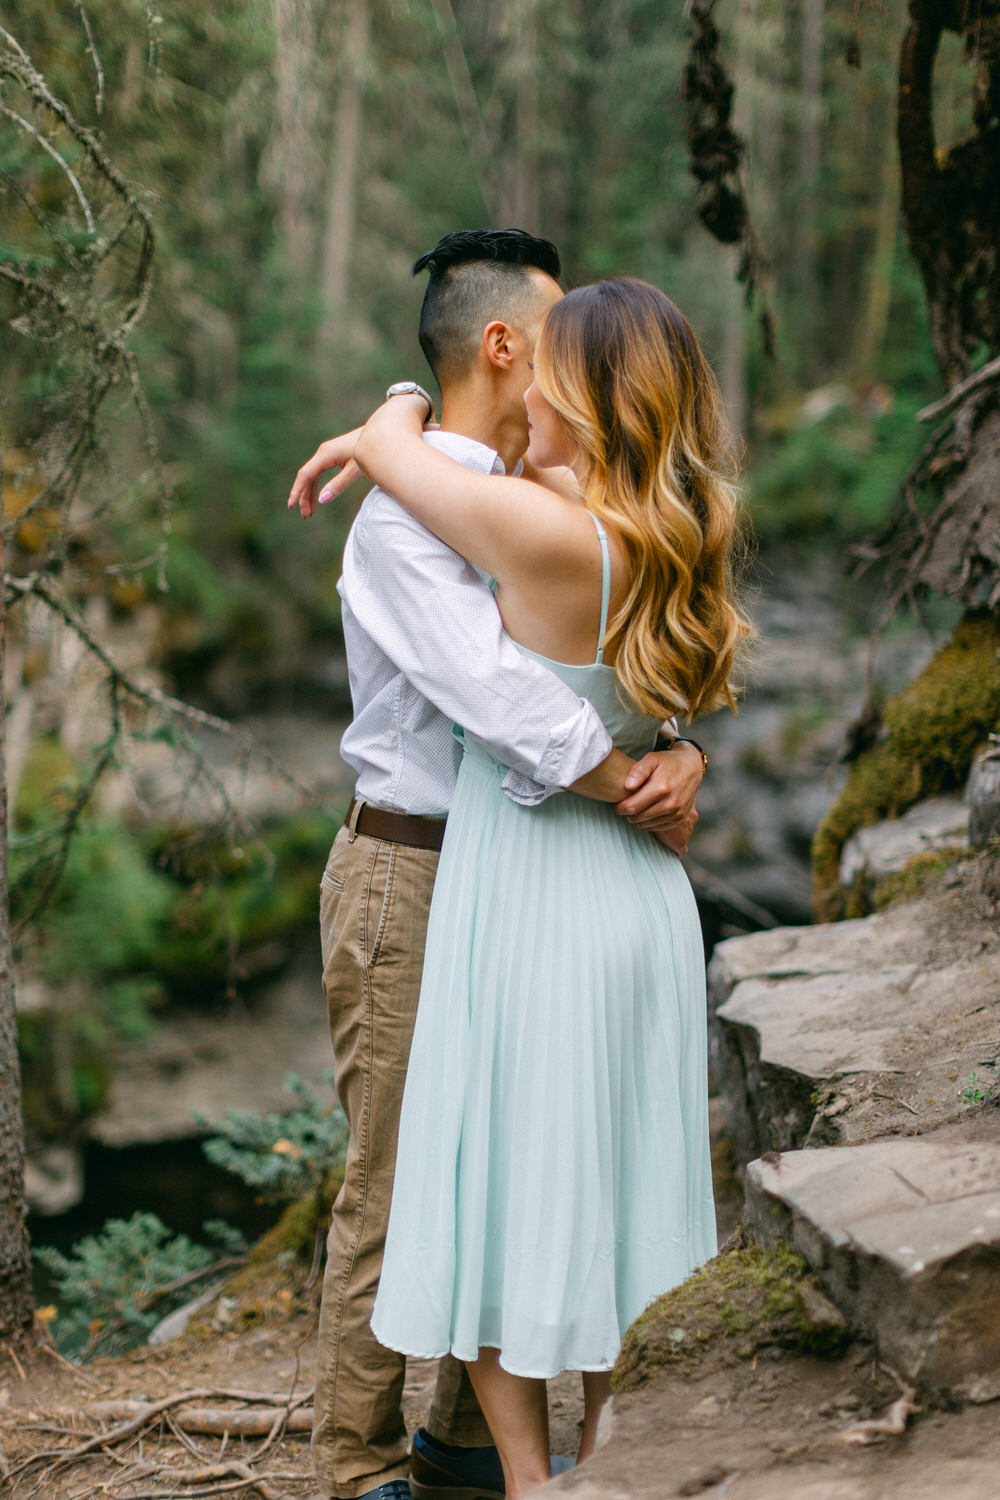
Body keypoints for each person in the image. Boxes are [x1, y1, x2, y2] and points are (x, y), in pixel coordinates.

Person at [287, 232, 707, 1500]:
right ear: (507, 349)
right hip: (414, 873)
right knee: (402, 1174)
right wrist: (634, 779)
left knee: (503, 1161)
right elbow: (503, 704)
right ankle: (360, 1470)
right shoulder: (405, 524)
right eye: (560, 328)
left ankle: (469, 1454)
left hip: (523, 874)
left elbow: (606, 646)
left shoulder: (528, 496)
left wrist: (675, 746)